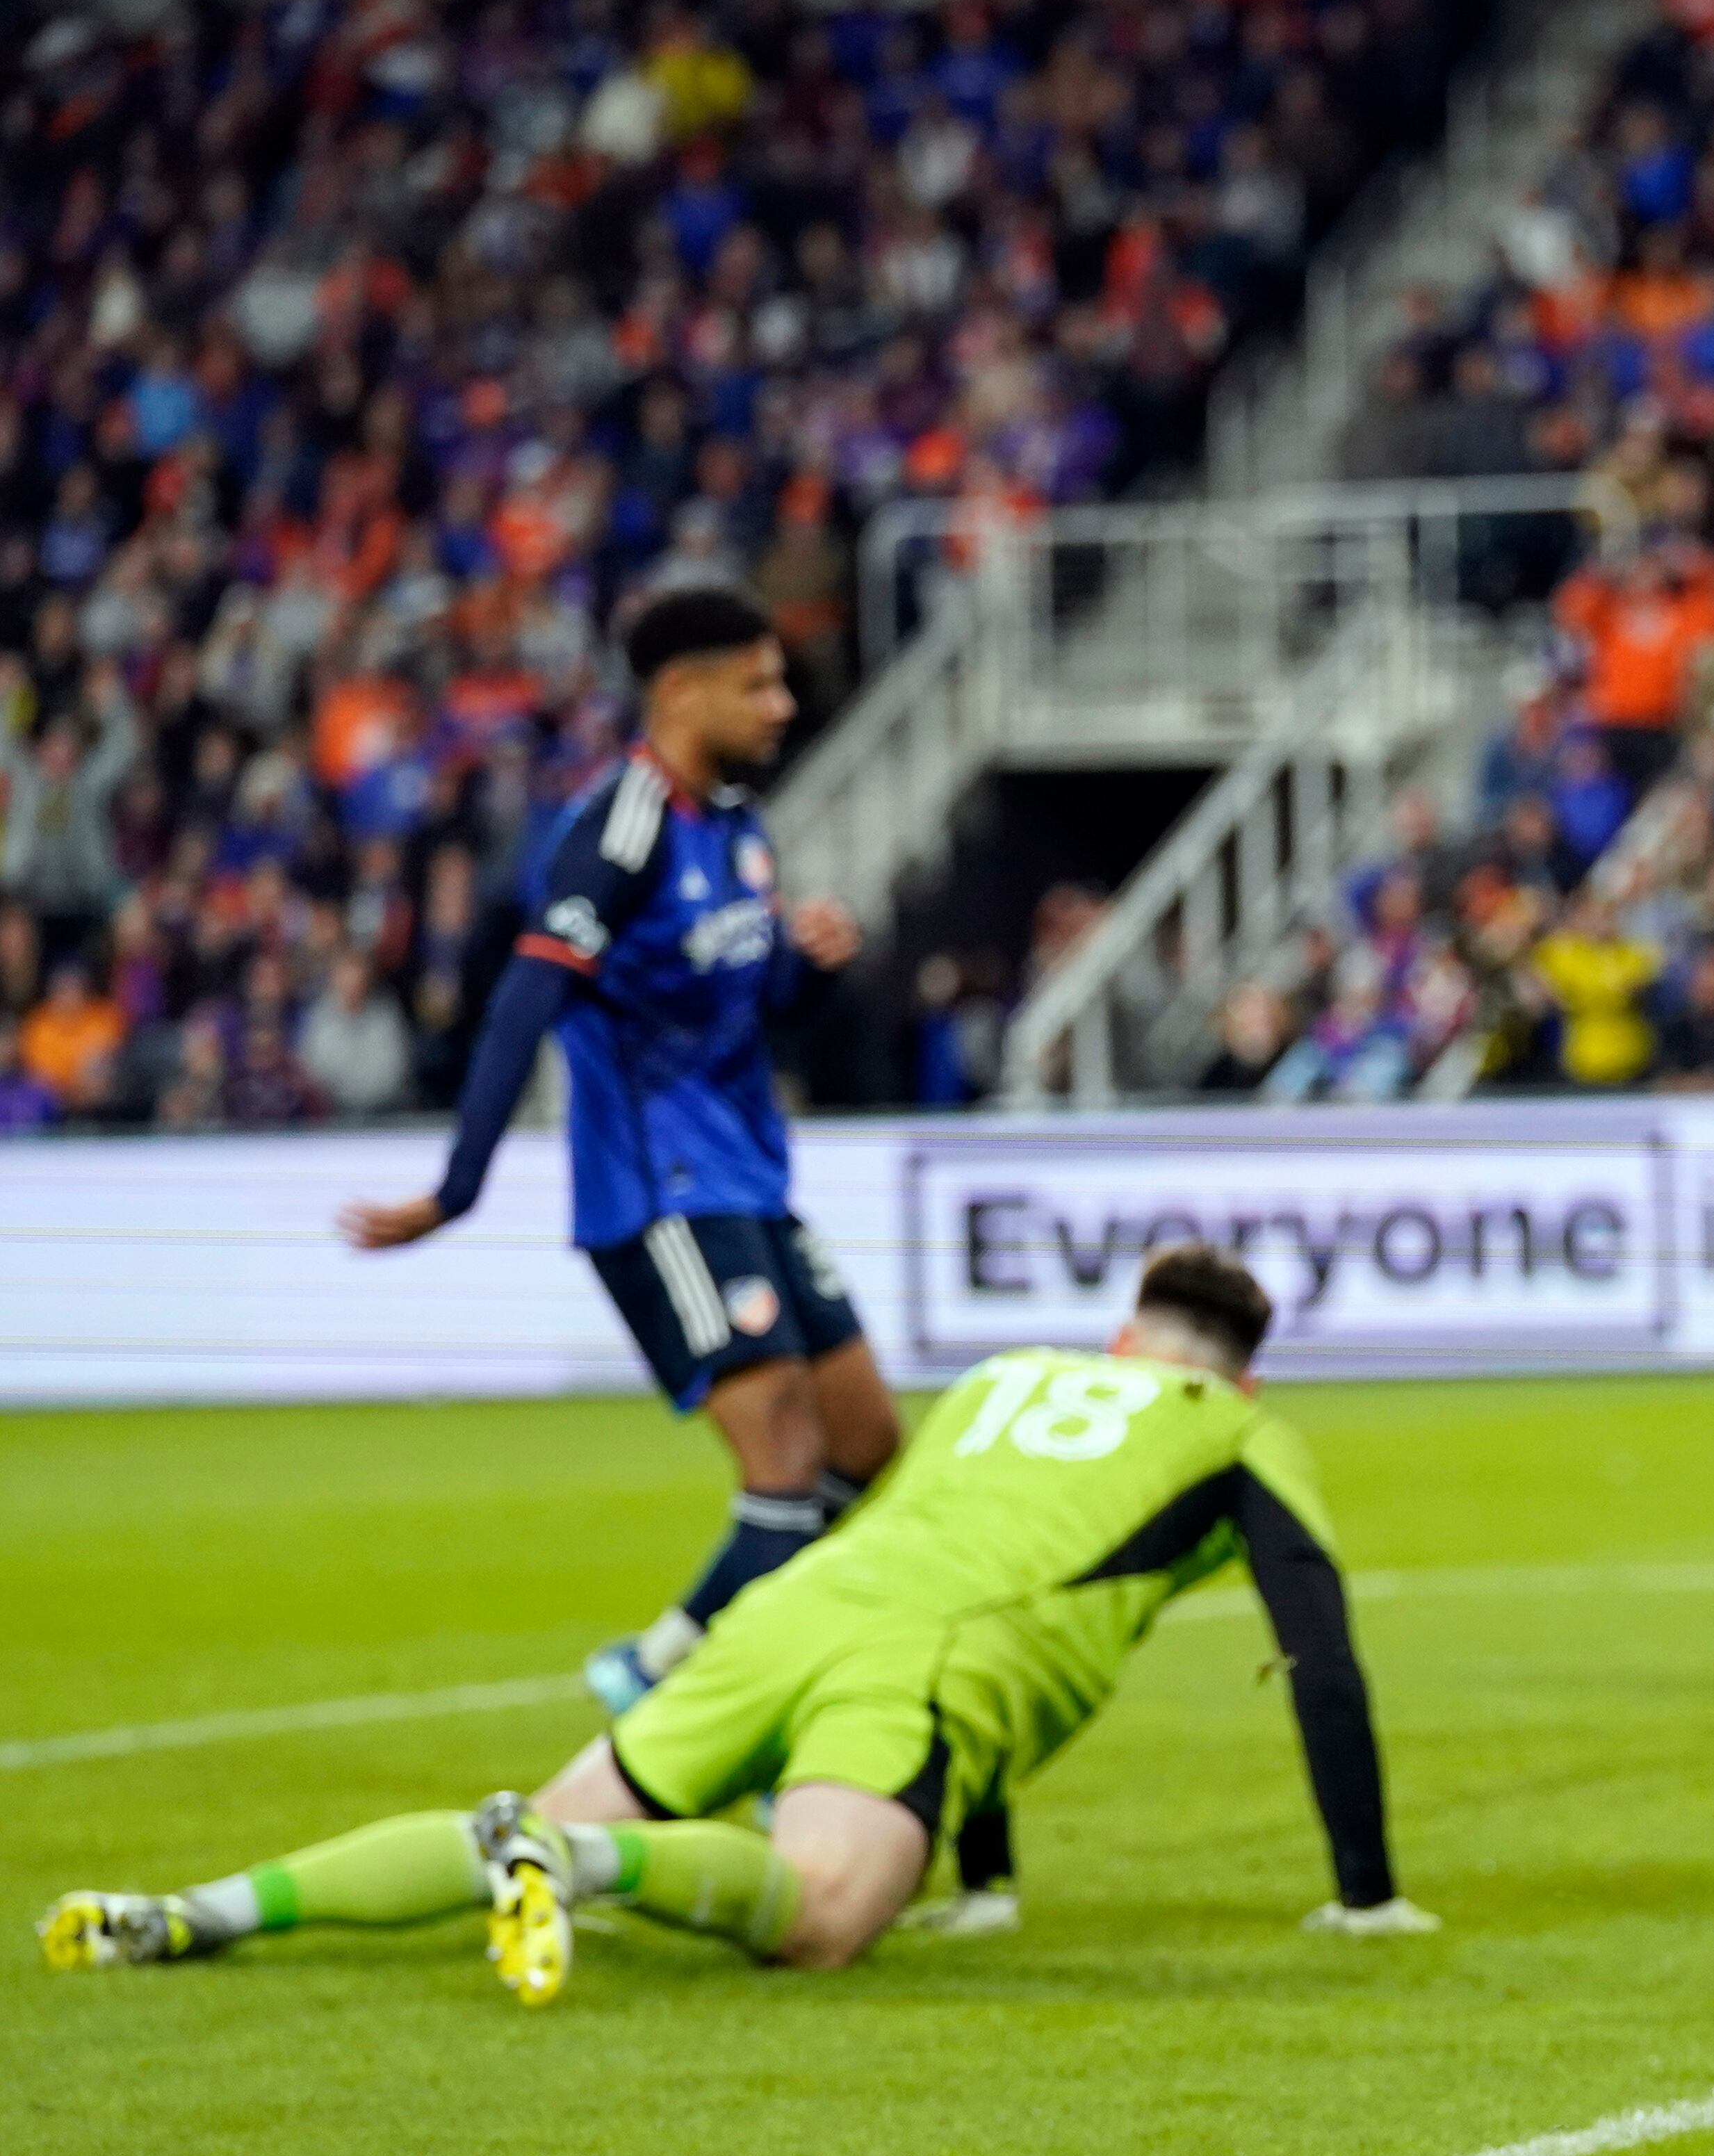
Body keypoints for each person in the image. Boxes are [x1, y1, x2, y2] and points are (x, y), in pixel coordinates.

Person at [40, 1243, 1433, 2002]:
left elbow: (980, 1534)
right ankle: (578, 1864)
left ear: (1123, 1337)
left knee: (507, 1823)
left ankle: (193, 1912)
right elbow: (1315, 1646)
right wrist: (1361, 1894)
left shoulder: (1012, 1376)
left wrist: (985, 1880)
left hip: (789, 1608)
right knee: (821, 1920)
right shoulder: (1238, 1436)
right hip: (920, 1664)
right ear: (1239, 1377)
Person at [336, 587, 904, 1723]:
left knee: (866, 1440)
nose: (784, 705)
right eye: (760, 683)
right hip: (659, 1190)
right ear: (681, 691)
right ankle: (676, 1696)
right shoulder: (617, 833)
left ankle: (683, 1661)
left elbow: (759, 1009)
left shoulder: (738, 827)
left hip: (750, 1175)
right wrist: (458, 1187)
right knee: (784, 1457)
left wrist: (813, 966)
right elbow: (527, 997)